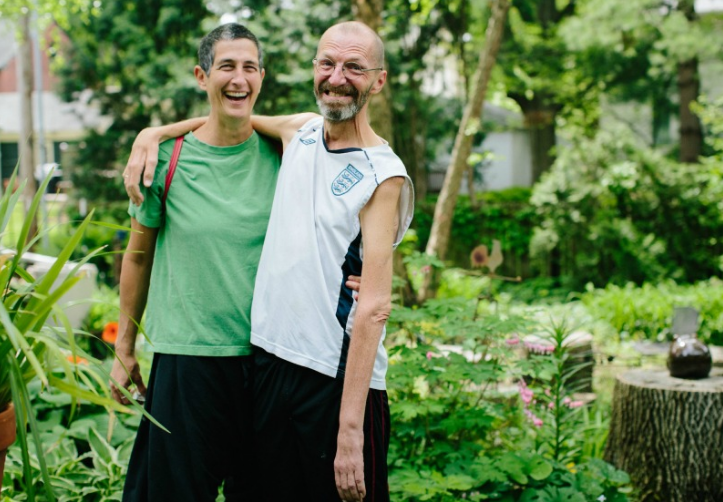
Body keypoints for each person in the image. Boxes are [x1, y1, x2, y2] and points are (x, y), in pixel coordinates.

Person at [124, 21, 414, 502]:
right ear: (314, 69)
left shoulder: (384, 173)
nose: (337, 77)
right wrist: (154, 132)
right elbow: (231, 116)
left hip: (333, 377)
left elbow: (376, 306)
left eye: (355, 68)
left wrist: (349, 432)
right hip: (270, 367)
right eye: (327, 64)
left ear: (379, 80)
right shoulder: (300, 133)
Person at [109, 23, 280, 502]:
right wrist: (125, 347)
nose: (239, 78)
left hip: (267, 362)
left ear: (262, 77)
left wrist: (156, 127)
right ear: (202, 76)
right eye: (226, 66)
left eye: (249, 67)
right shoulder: (165, 160)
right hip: (188, 363)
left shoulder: (286, 154)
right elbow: (137, 257)